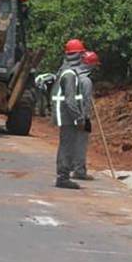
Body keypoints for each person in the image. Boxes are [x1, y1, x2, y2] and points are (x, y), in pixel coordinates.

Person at [52, 38, 87, 189]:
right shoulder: (69, 74)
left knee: (65, 145)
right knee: (67, 146)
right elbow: (70, 100)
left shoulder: (64, 71)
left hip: (64, 115)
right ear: (77, 56)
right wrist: (78, 118)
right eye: (81, 55)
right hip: (67, 116)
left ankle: (63, 175)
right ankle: (63, 177)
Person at [72, 50, 100, 181]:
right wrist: (84, 118)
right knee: (80, 144)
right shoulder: (86, 81)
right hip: (80, 116)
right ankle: (79, 170)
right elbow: (86, 101)